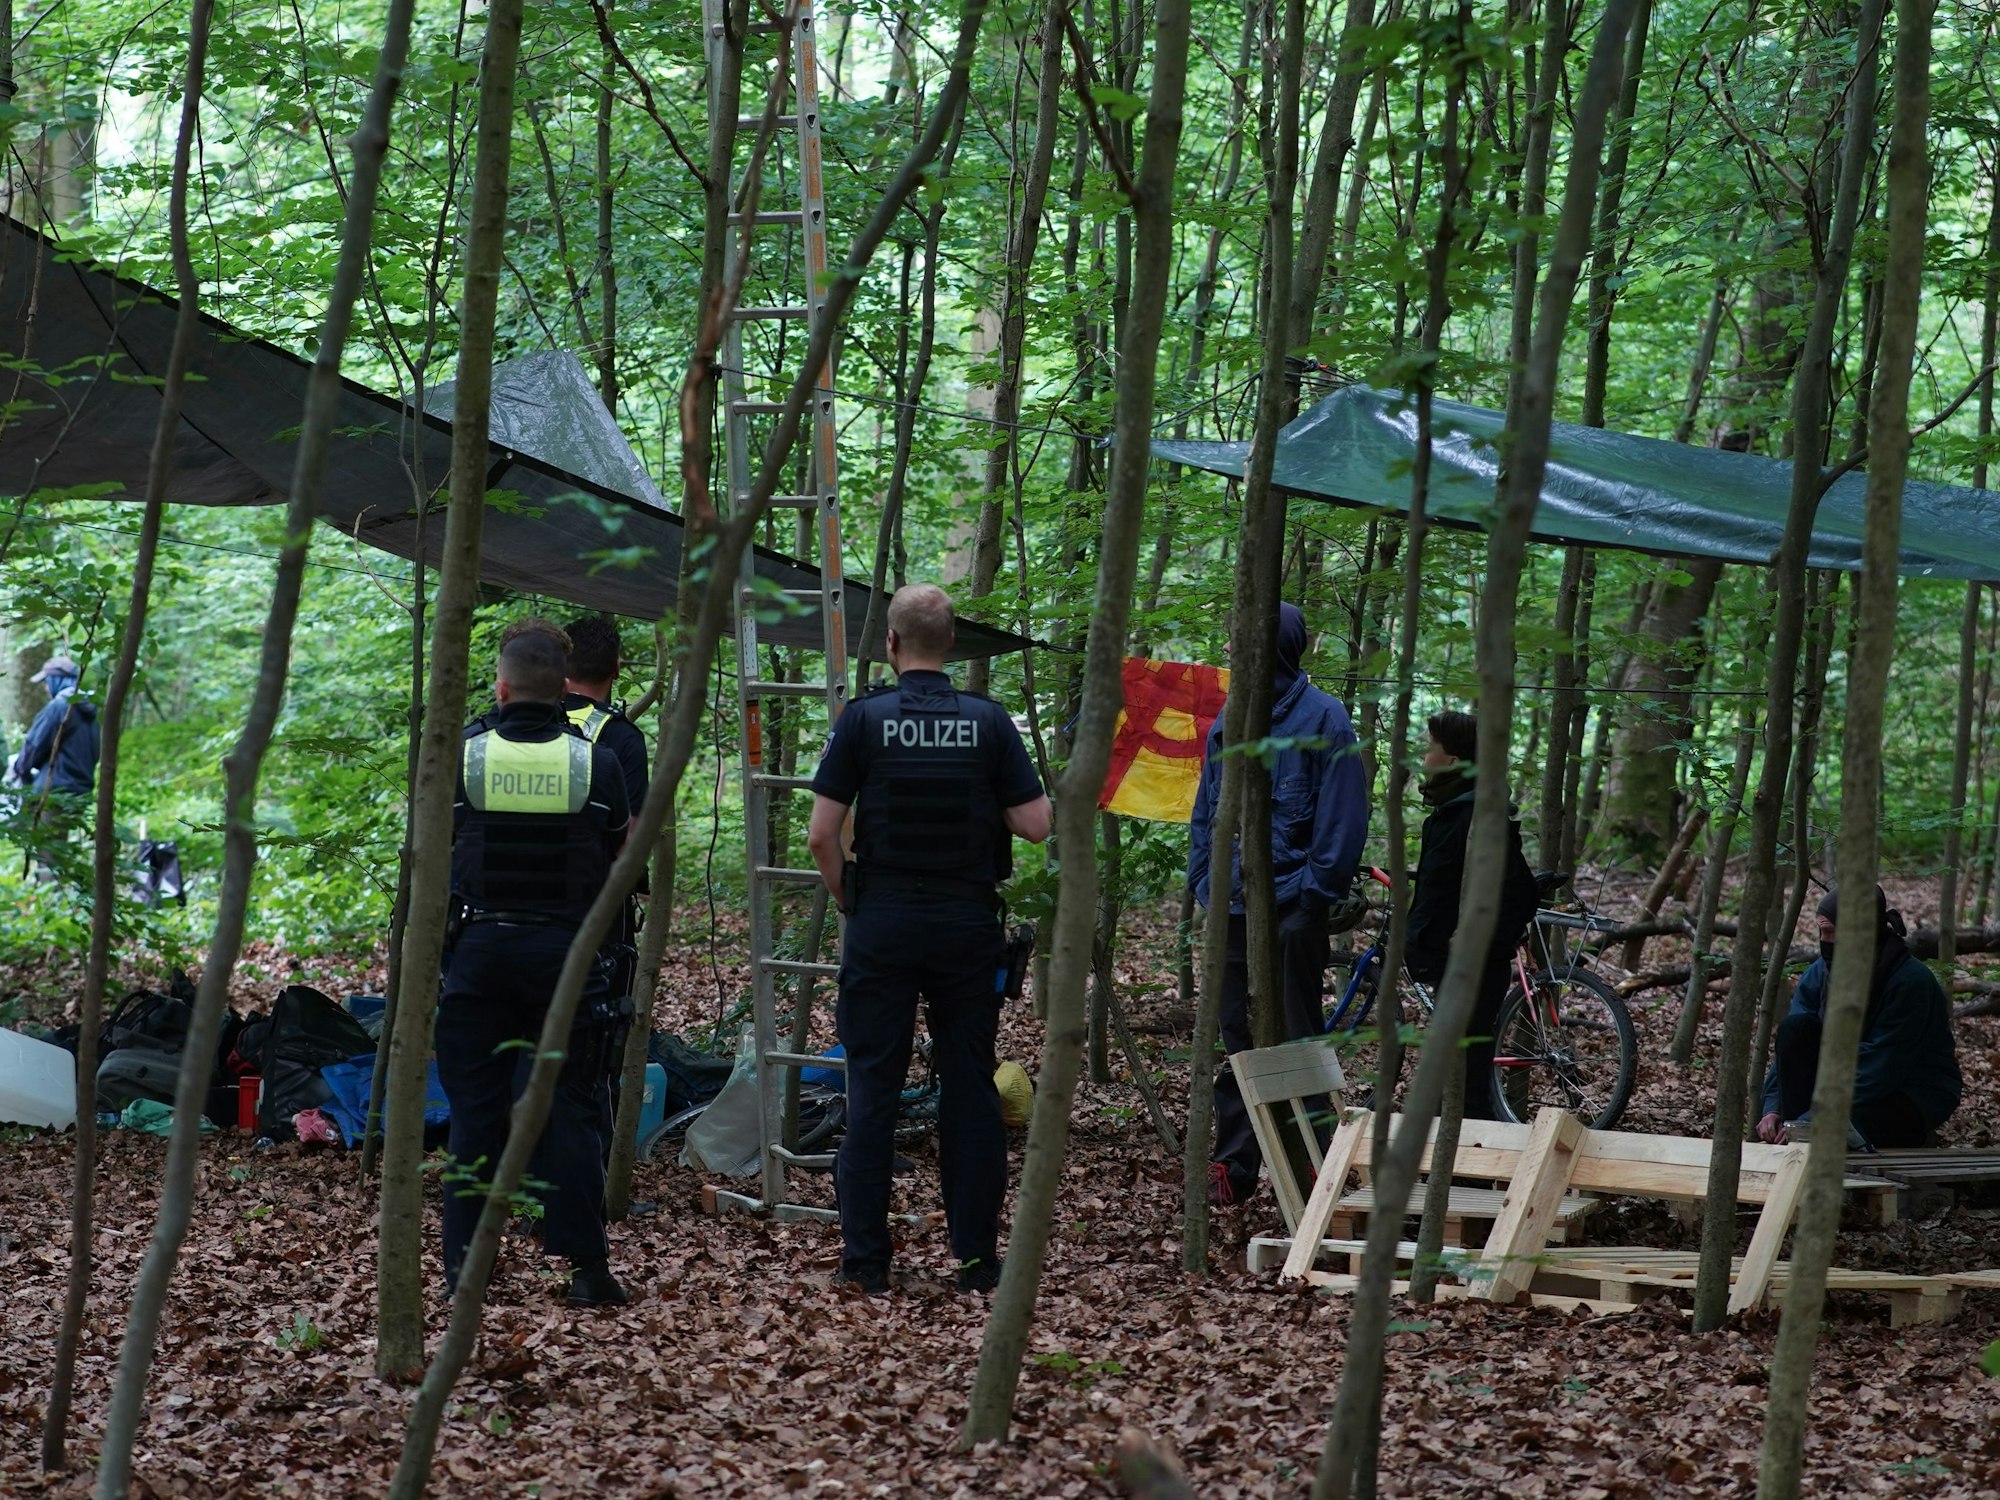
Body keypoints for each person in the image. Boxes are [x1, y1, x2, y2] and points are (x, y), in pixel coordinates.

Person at [806, 584, 1051, 1295]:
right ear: (951, 646)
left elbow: (823, 834)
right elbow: (1035, 825)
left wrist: (851, 897)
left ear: (890, 644)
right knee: (969, 1089)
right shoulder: (989, 721)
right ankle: (975, 1261)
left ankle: (865, 1262)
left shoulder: (863, 720)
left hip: (881, 920)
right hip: (965, 925)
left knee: (872, 1089)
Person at [435, 622, 633, 1307]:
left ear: (502, 685)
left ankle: (465, 1272)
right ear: (562, 691)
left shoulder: (463, 758)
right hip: (567, 959)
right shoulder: (596, 764)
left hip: (480, 956)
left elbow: (438, 855)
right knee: (571, 1110)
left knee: (474, 1115)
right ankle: (586, 1272)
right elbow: (620, 859)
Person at [1188, 602, 1368, 1206]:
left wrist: (1308, 899)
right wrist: (1204, 886)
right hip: (1233, 910)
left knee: (1296, 1035)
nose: (1236, 655)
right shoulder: (1228, 722)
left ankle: (1315, 1167)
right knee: (1238, 1036)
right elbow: (1205, 816)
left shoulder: (1326, 721)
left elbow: (1341, 829)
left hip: (1294, 910)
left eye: (1248, 643)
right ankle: (1234, 1168)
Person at [1404, 710, 1541, 1121]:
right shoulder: (1450, 815)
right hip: (1451, 963)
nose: (1425, 756)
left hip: (1472, 966)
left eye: (1431, 748)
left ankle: (1469, 1171)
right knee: (1455, 1066)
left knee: (1467, 1072)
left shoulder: (1478, 817)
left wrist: (1476, 945)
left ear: (1451, 760)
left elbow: (1518, 893)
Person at [1757, 885, 1961, 1150]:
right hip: (1838, 1087)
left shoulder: (1910, 982)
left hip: (1907, 1090)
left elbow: (1882, 1064)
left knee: (1854, 1124)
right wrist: (1774, 1108)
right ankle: (1801, 1142)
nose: (1824, 940)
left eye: (1831, 932)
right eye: (1822, 932)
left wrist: (1815, 1119)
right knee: (1795, 1028)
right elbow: (1789, 1049)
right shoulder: (1819, 974)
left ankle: (1823, 1135)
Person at [561, 614, 649, 1158]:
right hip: (596, 925)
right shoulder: (618, 737)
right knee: (590, 1057)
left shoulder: (502, 727)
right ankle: (587, 1185)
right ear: (617, 668)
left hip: (499, 921)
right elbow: (631, 842)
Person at [8, 653, 100, 878]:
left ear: (57, 681)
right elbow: (96, 754)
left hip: (54, 791)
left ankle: (51, 902)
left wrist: (19, 770)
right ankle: (58, 900)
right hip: (80, 790)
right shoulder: (90, 713)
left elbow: (33, 746)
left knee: (48, 853)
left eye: (46, 682)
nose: (44, 688)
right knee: (60, 849)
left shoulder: (60, 707)